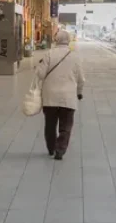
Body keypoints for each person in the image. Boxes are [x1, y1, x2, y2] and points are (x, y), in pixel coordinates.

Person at [36, 29, 84, 160]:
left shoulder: (49, 54)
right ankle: (60, 150)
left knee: (50, 125)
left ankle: (51, 149)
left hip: (50, 96)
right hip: (68, 97)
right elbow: (81, 79)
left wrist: (39, 66)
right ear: (68, 41)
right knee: (66, 126)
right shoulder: (75, 57)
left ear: (56, 40)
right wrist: (79, 93)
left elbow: (40, 74)